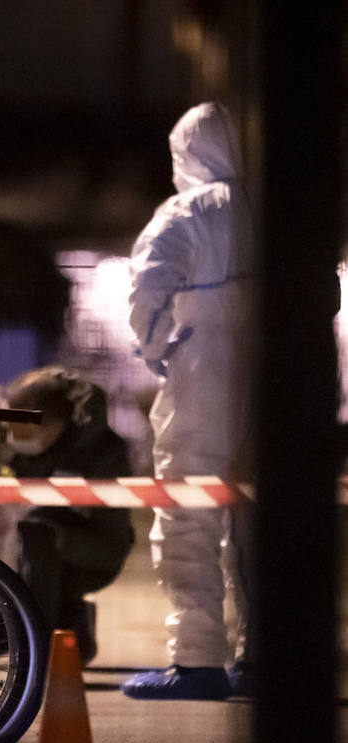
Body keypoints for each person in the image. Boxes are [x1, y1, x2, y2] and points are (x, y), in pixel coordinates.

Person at [122, 101, 252, 700]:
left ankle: (197, 661)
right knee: (260, 515)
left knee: (187, 509)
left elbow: (150, 286)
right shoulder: (278, 209)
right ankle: (263, 657)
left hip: (203, 369)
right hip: (277, 372)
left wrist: (158, 351)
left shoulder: (187, 210)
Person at [0, 367, 135, 665]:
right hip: (30, 554)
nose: (16, 440)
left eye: (25, 433)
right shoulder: (11, 445)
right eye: (11, 431)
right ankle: (69, 630)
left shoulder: (103, 451)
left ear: (57, 425)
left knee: (38, 532)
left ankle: (36, 647)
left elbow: (111, 530)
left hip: (96, 551)